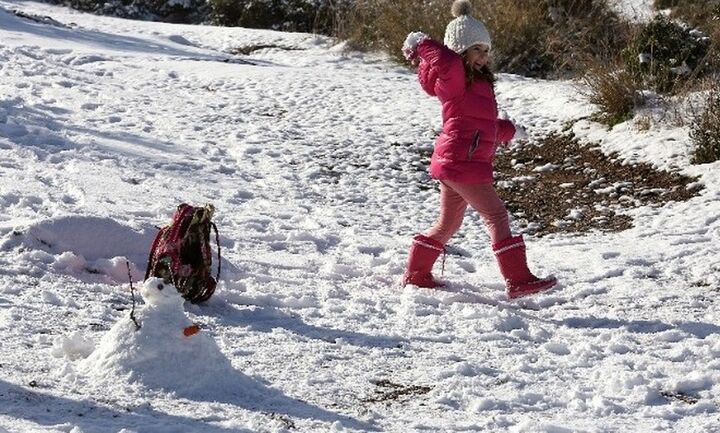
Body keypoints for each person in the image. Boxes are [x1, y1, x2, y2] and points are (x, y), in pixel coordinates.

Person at [400, 0, 557, 299]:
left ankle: (417, 274)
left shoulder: (477, 83)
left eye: (486, 51)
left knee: (448, 224)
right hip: (463, 163)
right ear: (460, 51)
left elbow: (481, 125)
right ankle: (518, 280)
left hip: (458, 162)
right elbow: (444, 61)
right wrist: (421, 43)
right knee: (497, 216)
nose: (484, 57)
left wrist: (511, 131)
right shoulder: (454, 76)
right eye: (477, 50)